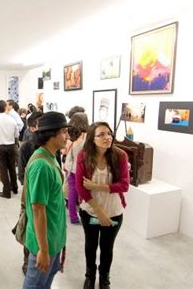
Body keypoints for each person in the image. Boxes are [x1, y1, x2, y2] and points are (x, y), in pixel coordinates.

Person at [76, 122, 130, 289]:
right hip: (90, 212)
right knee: (90, 246)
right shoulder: (83, 156)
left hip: (113, 212)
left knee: (107, 248)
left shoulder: (120, 155)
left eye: (109, 133)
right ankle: (90, 276)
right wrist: (99, 212)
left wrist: (97, 187)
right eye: (101, 134)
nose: (107, 138)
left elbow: (125, 185)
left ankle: (104, 278)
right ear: (92, 138)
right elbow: (80, 187)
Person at [23, 111, 69, 289]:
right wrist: (43, 249)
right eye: (63, 131)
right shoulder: (41, 165)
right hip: (45, 242)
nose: (67, 136)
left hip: (54, 237)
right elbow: (38, 209)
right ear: (51, 134)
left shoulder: (51, 157)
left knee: (45, 283)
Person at [17, 111, 42, 275]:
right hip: (31, 197)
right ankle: (28, 261)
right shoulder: (26, 147)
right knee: (29, 228)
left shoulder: (51, 146)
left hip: (45, 199)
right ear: (33, 128)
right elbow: (22, 175)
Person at [64, 112, 89, 225]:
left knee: (72, 192)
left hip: (71, 168)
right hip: (80, 169)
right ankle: (84, 214)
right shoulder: (86, 136)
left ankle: (73, 216)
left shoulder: (73, 136)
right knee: (82, 191)